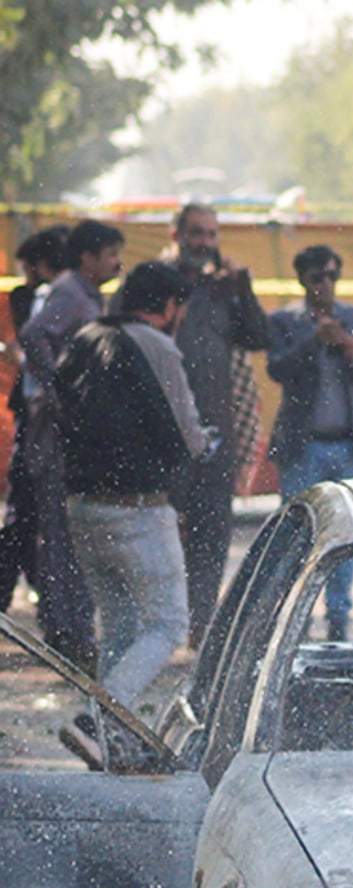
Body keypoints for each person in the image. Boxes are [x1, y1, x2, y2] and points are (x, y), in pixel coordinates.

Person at [50, 261, 210, 733]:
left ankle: (106, 736)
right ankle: (95, 719)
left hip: (83, 506)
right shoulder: (156, 344)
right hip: (136, 509)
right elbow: (188, 434)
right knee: (168, 627)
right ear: (169, 305)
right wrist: (206, 442)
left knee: (119, 625)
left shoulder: (85, 336)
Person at [265, 244, 353, 641]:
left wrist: (352, 347)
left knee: (345, 538)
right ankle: (295, 625)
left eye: (333, 276)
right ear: (302, 278)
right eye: (319, 277)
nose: (326, 285)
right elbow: (276, 370)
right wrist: (312, 342)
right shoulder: (284, 321)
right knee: (298, 538)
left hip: (348, 445)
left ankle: (339, 622)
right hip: (302, 448)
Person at [159, 203, 270, 646]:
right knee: (163, 533)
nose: (204, 242)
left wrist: (244, 290)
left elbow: (259, 338)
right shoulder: (157, 281)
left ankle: (200, 628)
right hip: (164, 435)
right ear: (177, 234)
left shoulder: (225, 288)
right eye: (196, 233)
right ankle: (165, 625)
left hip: (216, 433)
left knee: (212, 533)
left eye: (210, 234)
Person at [15, 219, 124, 669]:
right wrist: (61, 386)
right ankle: (68, 634)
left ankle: (72, 628)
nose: (117, 262)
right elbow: (33, 334)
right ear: (88, 258)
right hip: (56, 433)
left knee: (72, 532)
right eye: (110, 254)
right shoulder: (70, 293)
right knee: (62, 532)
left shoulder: (86, 294)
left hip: (70, 430)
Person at [2, 225, 70, 613]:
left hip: (42, 416)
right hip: (40, 415)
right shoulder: (49, 297)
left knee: (28, 509)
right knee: (27, 510)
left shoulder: (54, 298)